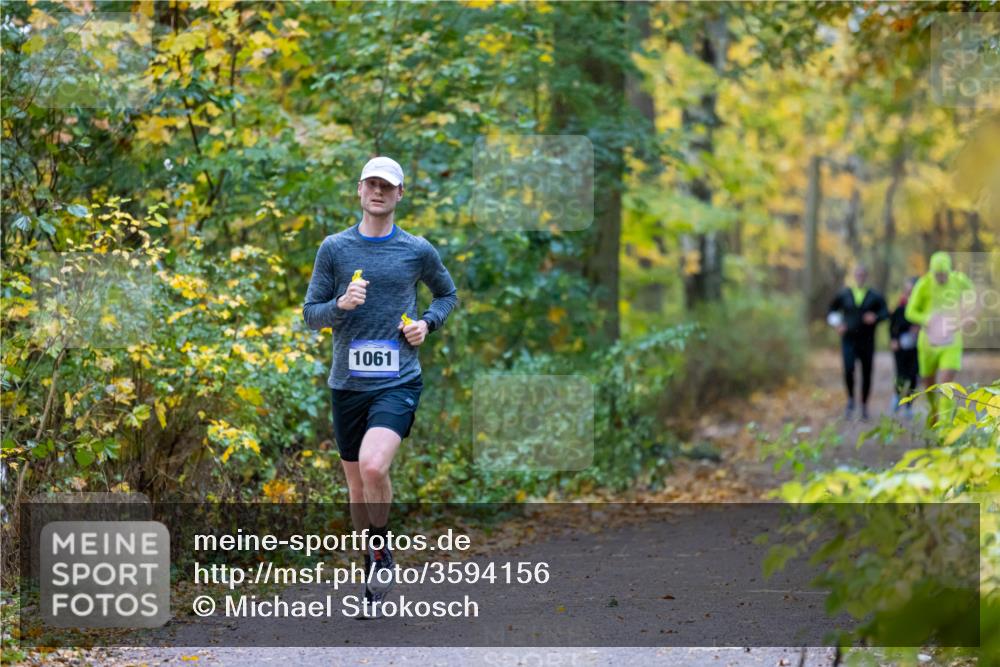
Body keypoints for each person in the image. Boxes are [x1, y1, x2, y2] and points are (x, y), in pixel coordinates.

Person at [302, 156, 458, 614]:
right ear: (359, 190)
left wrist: (427, 324)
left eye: (387, 186)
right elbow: (311, 314)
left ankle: (382, 550)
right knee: (355, 487)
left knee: (373, 468)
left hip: (398, 381)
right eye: (372, 184)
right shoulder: (334, 248)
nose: (378, 192)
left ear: (399, 195)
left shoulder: (417, 250)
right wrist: (341, 305)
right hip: (348, 384)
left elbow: (446, 295)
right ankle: (371, 568)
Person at [904, 251, 975, 426]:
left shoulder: (960, 280)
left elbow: (974, 299)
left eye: (944, 274)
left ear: (949, 271)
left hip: (951, 340)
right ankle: (934, 410)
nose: (941, 278)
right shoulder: (923, 284)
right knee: (929, 385)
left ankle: (944, 428)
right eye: (937, 274)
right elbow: (910, 312)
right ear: (931, 272)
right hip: (928, 342)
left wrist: (968, 316)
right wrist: (926, 319)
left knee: (946, 384)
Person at [827, 264, 889, 420]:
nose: (860, 277)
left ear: (866, 276)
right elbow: (831, 310)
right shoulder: (844, 294)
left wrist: (875, 317)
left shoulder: (874, 295)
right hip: (848, 339)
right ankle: (850, 400)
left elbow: (886, 312)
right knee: (848, 369)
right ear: (854, 276)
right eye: (857, 274)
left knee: (867, 372)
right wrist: (837, 324)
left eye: (862, 274)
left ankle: (864, 404)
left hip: (867, 340)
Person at [889, 276, 919, 418]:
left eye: (912, 289)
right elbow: (892, 324)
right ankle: (897, 397)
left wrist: (919, 328)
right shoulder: (901, 305)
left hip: (917, 347)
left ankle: (909, 406)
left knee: (913, 375)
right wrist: (893, 340)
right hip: (900, 346)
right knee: (901, 374)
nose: (910, 292)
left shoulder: (921, 306)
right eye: (908, 289)